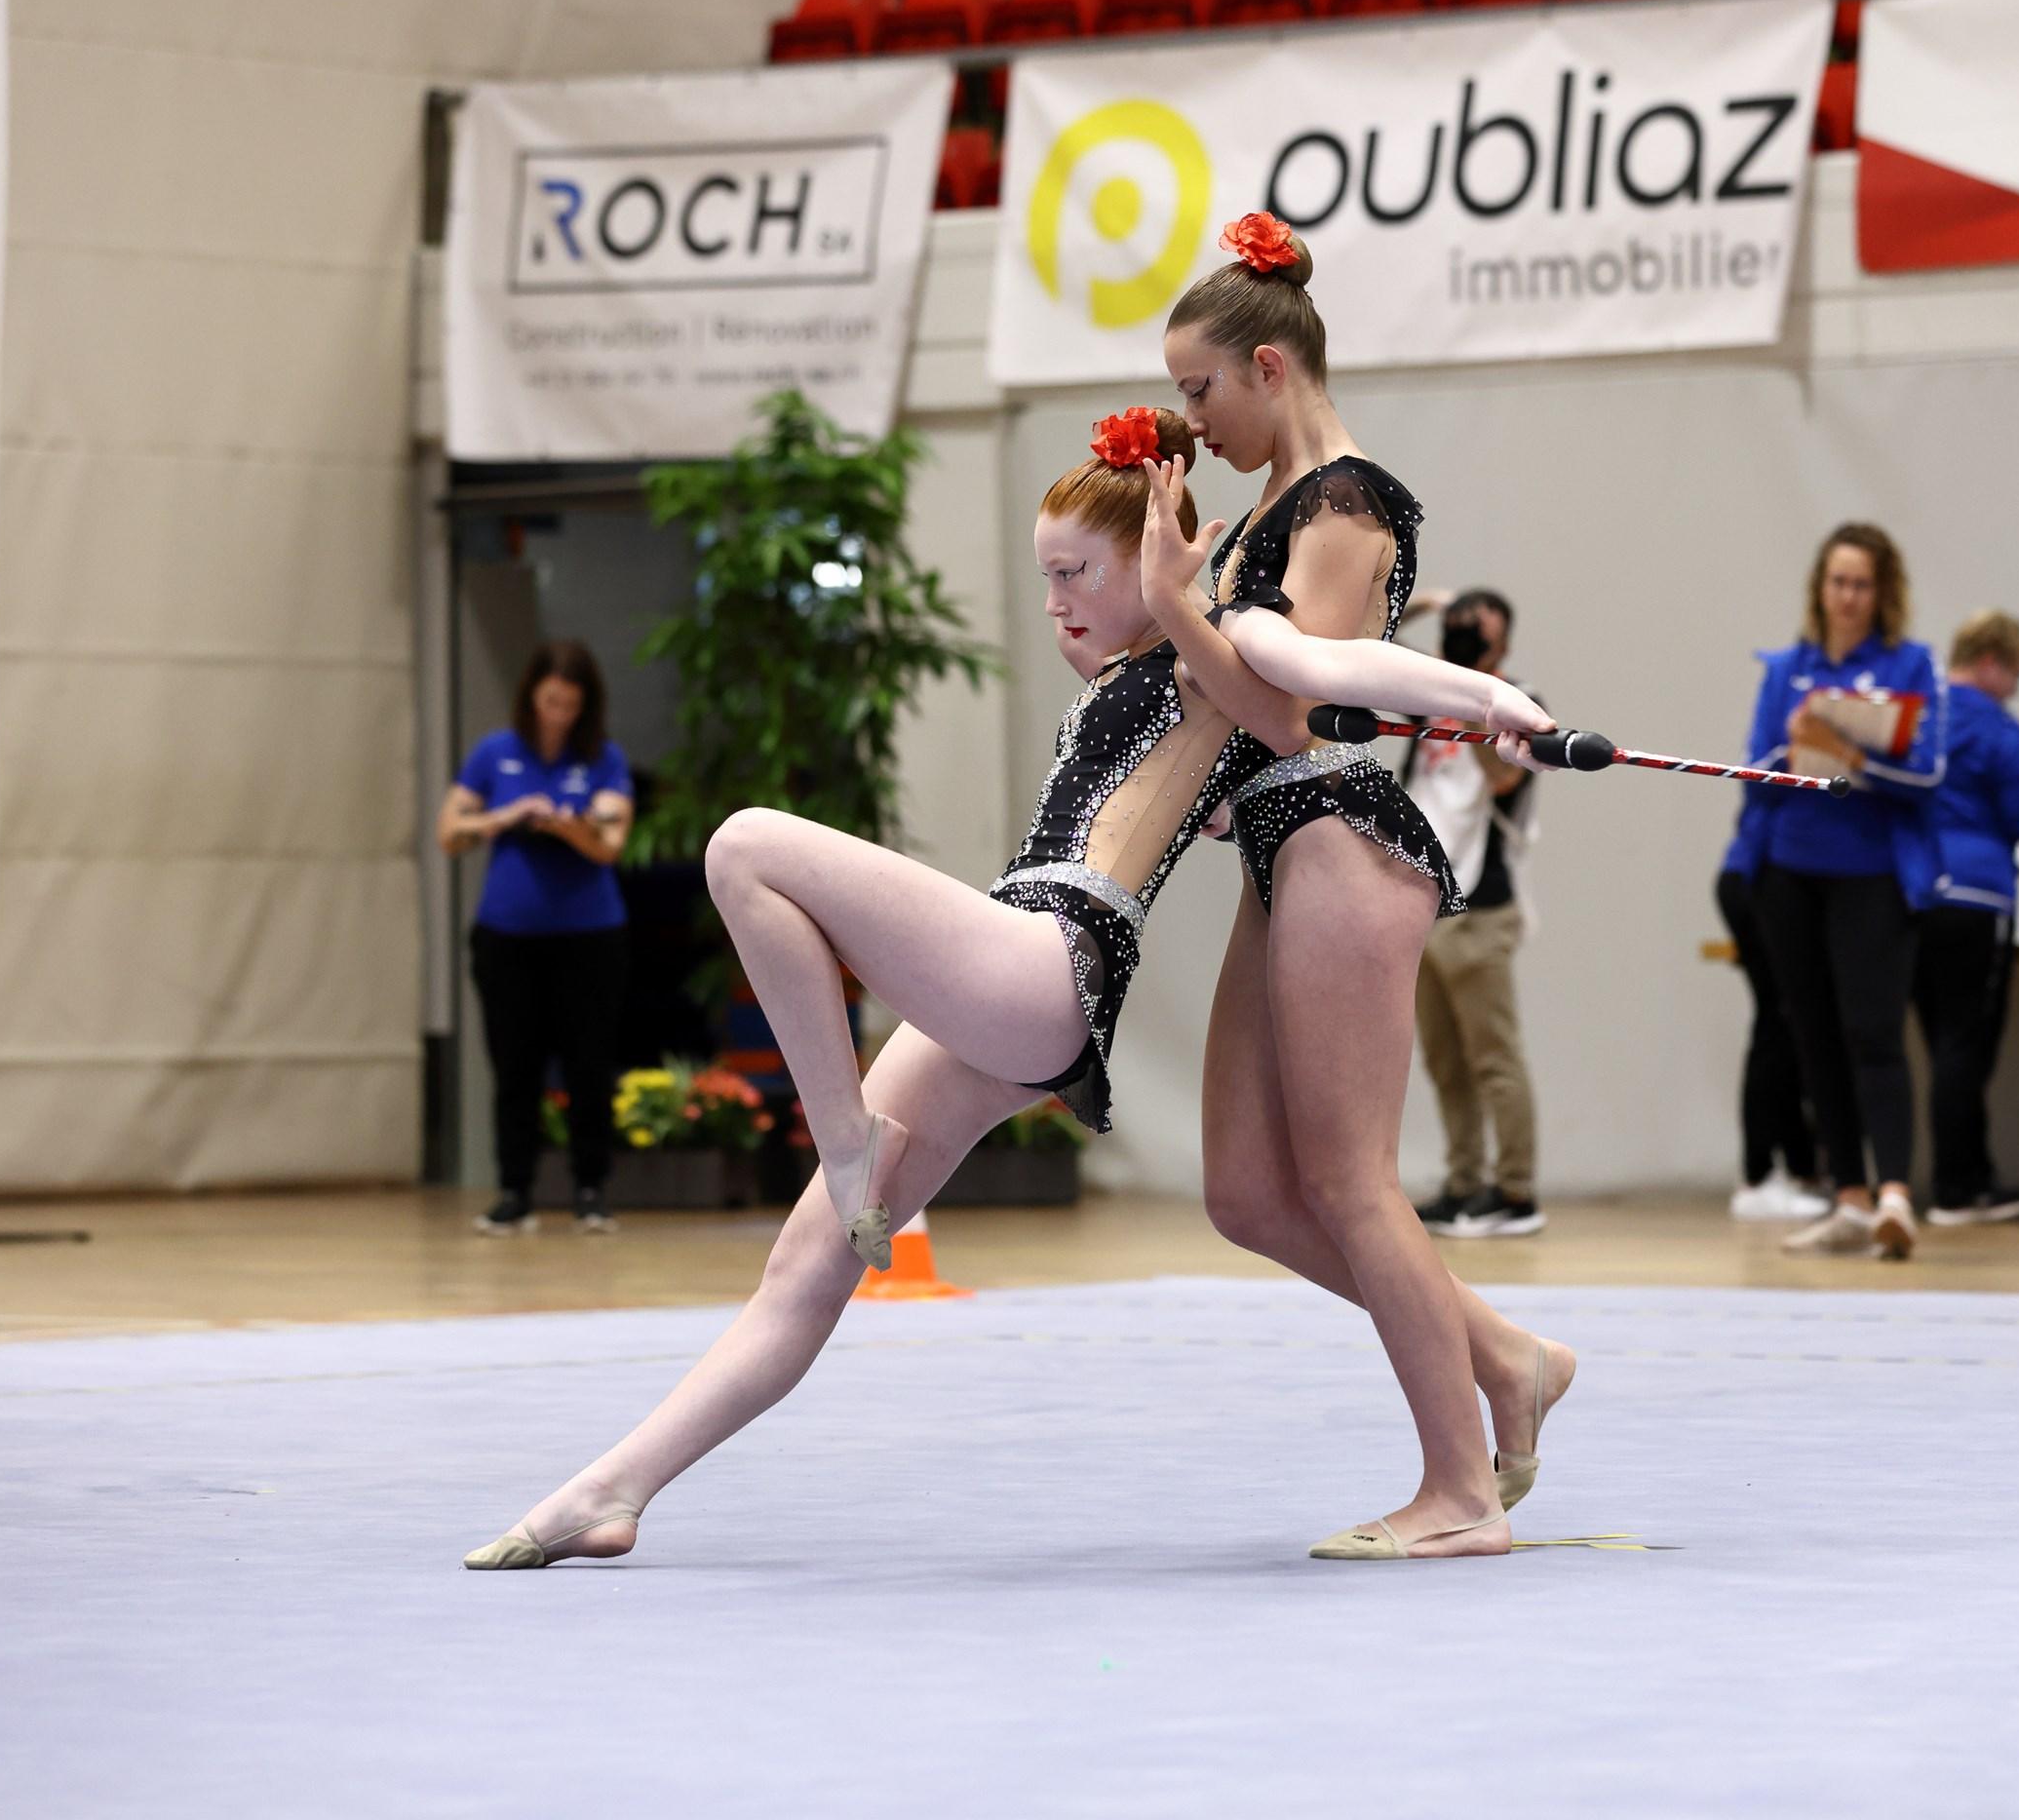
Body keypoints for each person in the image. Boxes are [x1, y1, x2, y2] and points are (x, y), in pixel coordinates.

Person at [460, 409, 1545, 1569]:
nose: (1055, 602)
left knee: (745, 847)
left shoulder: (1212, 644)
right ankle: (611, 1488)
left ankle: (844, 1139)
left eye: (1076, 573)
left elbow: (1335, 668)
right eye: (1045, 577)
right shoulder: (1130, 665)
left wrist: (1487, 699)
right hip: (1005, 975)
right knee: (806, 1263)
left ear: (1150, 559)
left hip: (1050, 959)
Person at [1145, 213, 1576, 1560]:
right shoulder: (1264, 511)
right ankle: (1502, 1355)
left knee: (1349, 1179)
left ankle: (1459, 1490)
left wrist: (1174, 607)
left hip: (1338, 832)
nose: (1191, 418)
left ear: (1269, 367)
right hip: (1281, 845)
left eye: (1201, 389)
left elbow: (1289, 709)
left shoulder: (1343, 503)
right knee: (1247, 1192)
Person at [1739, 523, 1947, 1260]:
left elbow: (1928, 775)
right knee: (1814, 1035)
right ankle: (1850, 1198)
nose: (1849, 597)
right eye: (1838, 582)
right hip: (1792, 873)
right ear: (1819, 588)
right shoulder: (1787, 667)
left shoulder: (1909, 664)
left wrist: (1855, 755)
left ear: (1882, 592)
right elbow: (1754, 772)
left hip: (1874, 875)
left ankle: (1895, 1195)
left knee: (1874, 1032)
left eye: (1862, 584)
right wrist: (1797, 742)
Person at [438, 640, 635, 1236]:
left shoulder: (602, 759)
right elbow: (450, 832)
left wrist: (566, 827)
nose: (558, 714)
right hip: (507, 938)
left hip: (589, 938)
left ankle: (591, 1190)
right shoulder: (494, 753)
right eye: (550, 701)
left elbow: (610, 843)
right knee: (513, 1063)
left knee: (588, 1064)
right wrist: (506, 816)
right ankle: (514, 1191)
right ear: (531, 696)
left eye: (570, 704)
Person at [1398, 587, 1548, 1239]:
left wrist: (1480, 691)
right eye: (1459, 629)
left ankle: (1515, 1192)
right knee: (1444, 1060)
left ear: (1503, 644)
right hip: (1421, 900)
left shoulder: (1520, 702)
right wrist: (1426, 603)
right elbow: (1360, 645)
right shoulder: (1429, 694)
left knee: (1494, 1058)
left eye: (1477, 633)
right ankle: (1463, 1184)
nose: (1464, 639)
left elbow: (1506, 777)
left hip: (1481, 906)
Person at [1914, 611, 2019, 1226]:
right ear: (1991, 663)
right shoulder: (1997, 727)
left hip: (1917, 892)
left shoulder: (1919, 716)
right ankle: (1961, 1186)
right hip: (1977, 895)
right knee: (1967, 1044)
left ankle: (1964, 1176)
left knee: (1937, 1040)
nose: (2015, 690)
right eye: (2016, 675)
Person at [1716, 799, 1826, 1222]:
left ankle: (1797, 1168)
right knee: (1778, 1025)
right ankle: (1759, 1174)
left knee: (1788, 1026)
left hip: (1764, 875)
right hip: (1759, 878)